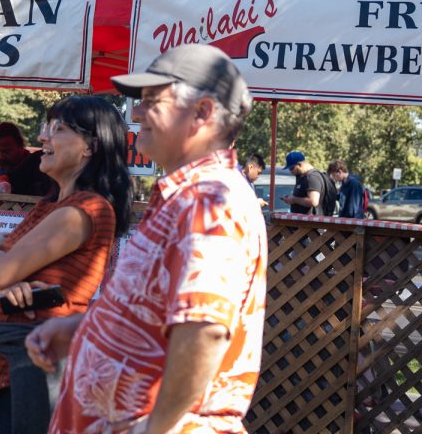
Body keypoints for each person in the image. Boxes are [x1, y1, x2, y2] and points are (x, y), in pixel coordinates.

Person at [26, 43, 267, 433]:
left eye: (153, 100)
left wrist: (156, 429)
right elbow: (157, 311)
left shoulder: (208, 199)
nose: (136, 112)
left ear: (202, 112)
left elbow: (202, 331)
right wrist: (81, 328)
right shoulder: (188, 196)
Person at [0, 95, 132, 434]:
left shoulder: (88, 208)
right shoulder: (46, 207)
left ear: (89, 147)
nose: (43, 138)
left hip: (34, 376)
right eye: (45, 127)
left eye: (57, 129)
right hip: (3, 372)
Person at [279, 150, 327, 215]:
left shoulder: (312, 177)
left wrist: (294, 199)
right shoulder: (303, 177)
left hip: (309, 223)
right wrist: (291, 198)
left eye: (292, 168)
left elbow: (313, 201)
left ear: (299, 164)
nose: (291, 172)